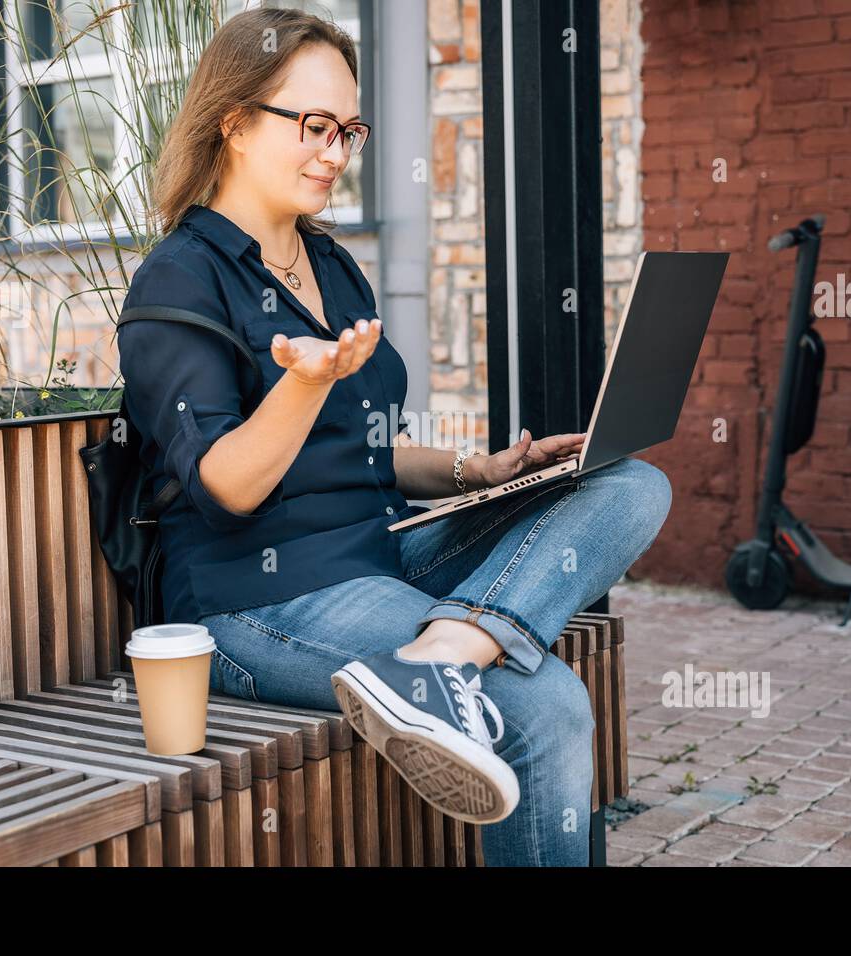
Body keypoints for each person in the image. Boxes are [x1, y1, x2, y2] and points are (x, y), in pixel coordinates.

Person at [117, 7, 672, 866]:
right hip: (257, 603)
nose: (335, 153)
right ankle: (442, 660)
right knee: (547, 702)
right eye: (312, 126)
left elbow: (365, 452)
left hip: (381, 553)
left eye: (348, 130)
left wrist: (474, 470)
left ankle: (442, 653)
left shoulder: (330, 265)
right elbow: (228, 483)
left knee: (630, 484)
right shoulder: (179, 281)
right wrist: (304, 383)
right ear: (232, 123)